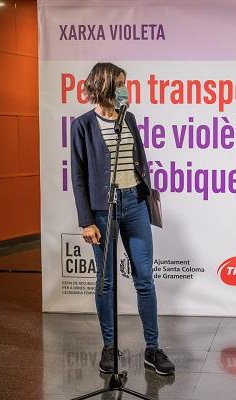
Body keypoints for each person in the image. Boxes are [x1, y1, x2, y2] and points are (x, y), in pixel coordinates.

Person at [70, 62, 174, 375]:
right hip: (103, 211)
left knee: (145, 278)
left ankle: (152, 349)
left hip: (135, 204)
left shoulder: (128, 118)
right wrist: (86, 220)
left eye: (124, 84)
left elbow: (137, 159)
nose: (123, 90)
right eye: (118, 84)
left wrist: (145, 192)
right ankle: (110, 346)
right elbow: (77, 175)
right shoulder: (83, 125)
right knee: (106, 281)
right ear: (103, 86)